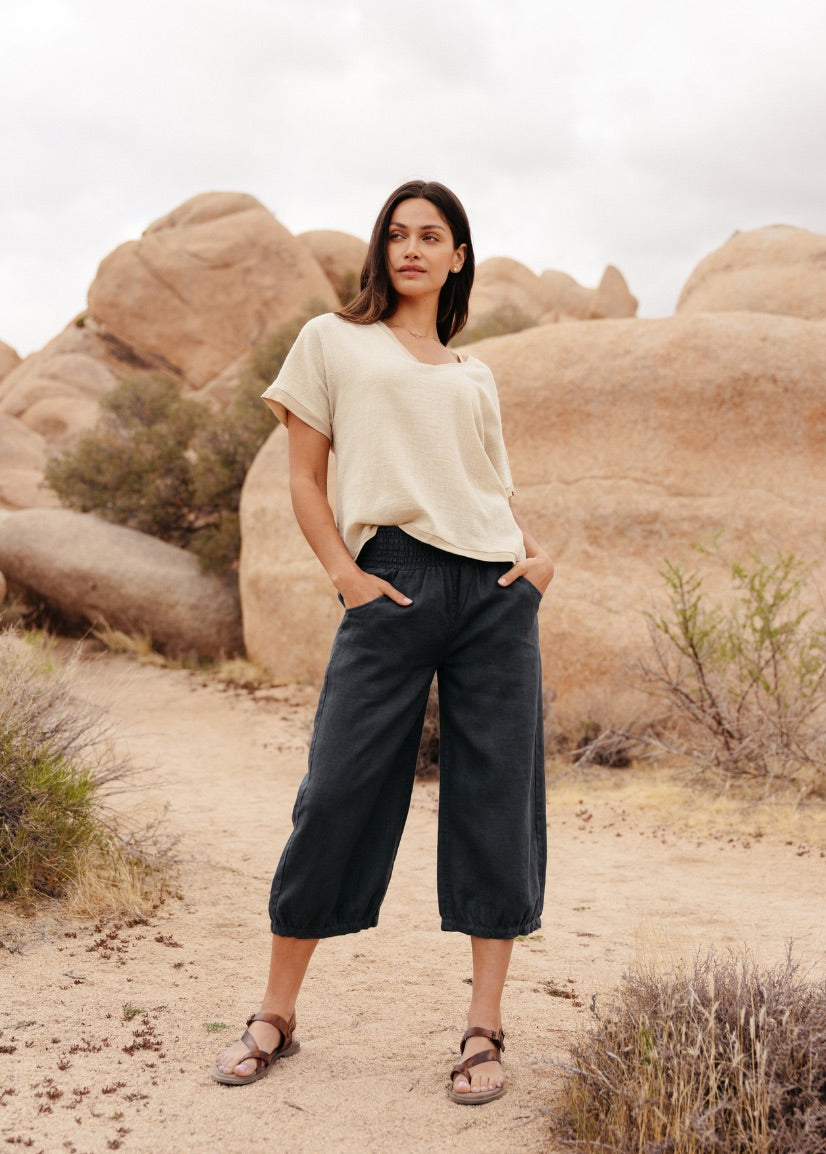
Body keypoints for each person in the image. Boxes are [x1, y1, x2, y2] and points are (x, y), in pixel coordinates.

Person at [213, 179, 552, 1104]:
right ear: (382, 249)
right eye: (397, 234)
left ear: (458, 256)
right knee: (336, 792)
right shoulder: (332, 341)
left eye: (431, 235)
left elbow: (492, 487)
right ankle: (274, 1015)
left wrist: (537, 560)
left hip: (491, 593)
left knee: (496, 804)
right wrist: (347, 579)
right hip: (390, 581)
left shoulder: (472, 373)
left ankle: (483, 1030)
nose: (411, 248)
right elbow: (307, 481)